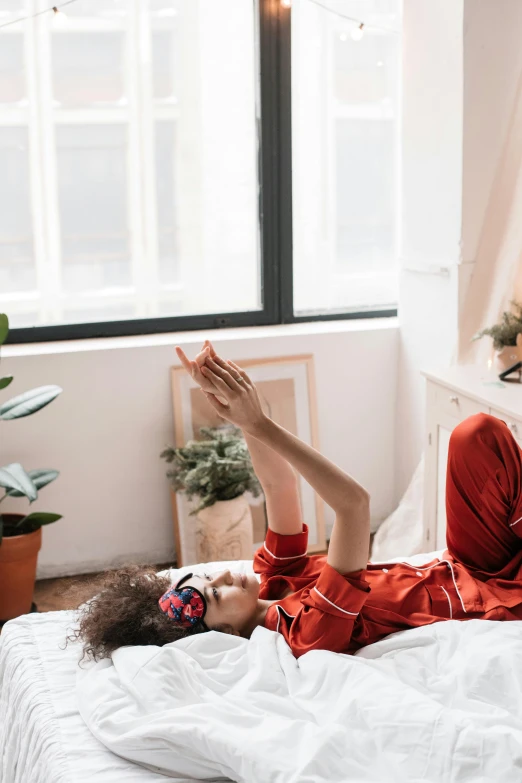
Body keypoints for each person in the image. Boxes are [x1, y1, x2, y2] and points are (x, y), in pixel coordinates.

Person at [70, 340, 522, 664]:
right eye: (216, 591)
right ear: (225, 633)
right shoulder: (308, 632)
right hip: (499, 596)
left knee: (475, 434)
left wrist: (240, 411)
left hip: (467, 561)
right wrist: (261, 425)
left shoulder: (273, 581)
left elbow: (279, 486)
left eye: (211, 575)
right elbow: (353, 505)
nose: (228, 572)